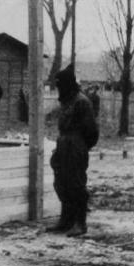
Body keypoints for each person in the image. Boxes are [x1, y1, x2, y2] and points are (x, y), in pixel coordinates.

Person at [48, 64, 99, 237]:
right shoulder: (67, 100)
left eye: (60, 84)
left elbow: (92, 131)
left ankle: (80, 223)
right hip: (63, 143)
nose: (58, 88)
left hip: (76, 144)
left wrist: (80, 148)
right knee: (61, 183)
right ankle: (66, 221)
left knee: (76, 184)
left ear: (67, 84)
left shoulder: (82, 102)